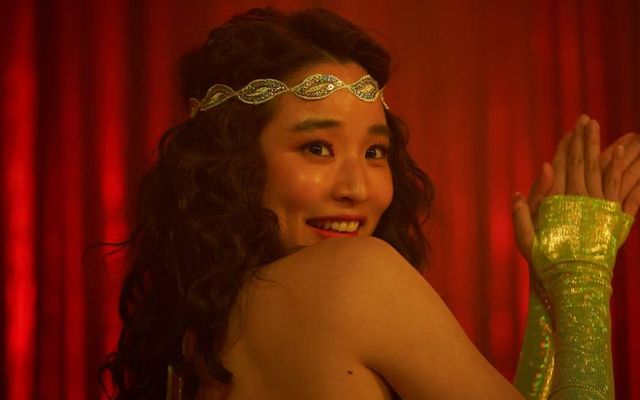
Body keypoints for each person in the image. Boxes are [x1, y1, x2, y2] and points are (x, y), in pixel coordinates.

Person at [100, 7, 640, 400]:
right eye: (317, 147)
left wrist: (546, 303)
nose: (357, 188)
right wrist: (582, 273)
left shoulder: (194, 339)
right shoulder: (355, 276)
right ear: (230, 163)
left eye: (375, 152)